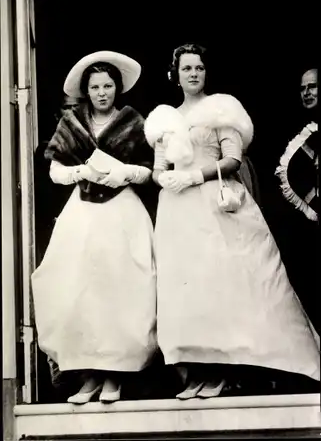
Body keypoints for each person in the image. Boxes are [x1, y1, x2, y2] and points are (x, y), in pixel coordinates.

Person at [144, 43, 320, 399]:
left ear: (206, 73)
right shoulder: (165, 117)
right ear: (175, 75)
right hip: (178, 211)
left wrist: (195, 177)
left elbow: (232, 160)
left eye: (199, 68)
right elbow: (158, 167)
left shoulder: (222, 109)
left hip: (213, 203)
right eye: (186, 68)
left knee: (219, 284)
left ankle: (224, 370)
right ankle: (195, 371)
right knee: (186, 287)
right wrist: (163, 178)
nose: (193, 74)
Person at [32, 51, 157, 404]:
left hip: (122, 212)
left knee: (121, 288)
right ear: (86, 91)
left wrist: (127, 173)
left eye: (107, 86)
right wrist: (80, 172)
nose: (102, 93)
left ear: (117, 88)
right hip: (83, 213)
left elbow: (151, 170)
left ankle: (116, 375)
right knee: (80, 288)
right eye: (95, 87)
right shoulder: (72, 122)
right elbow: (55, 171)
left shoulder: (133, 122)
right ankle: (88, 376)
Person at [275, 68, 319, 333]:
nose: (307, 93)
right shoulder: (298, 132)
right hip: (306, 225)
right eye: (303, 88)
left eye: (313, 87)